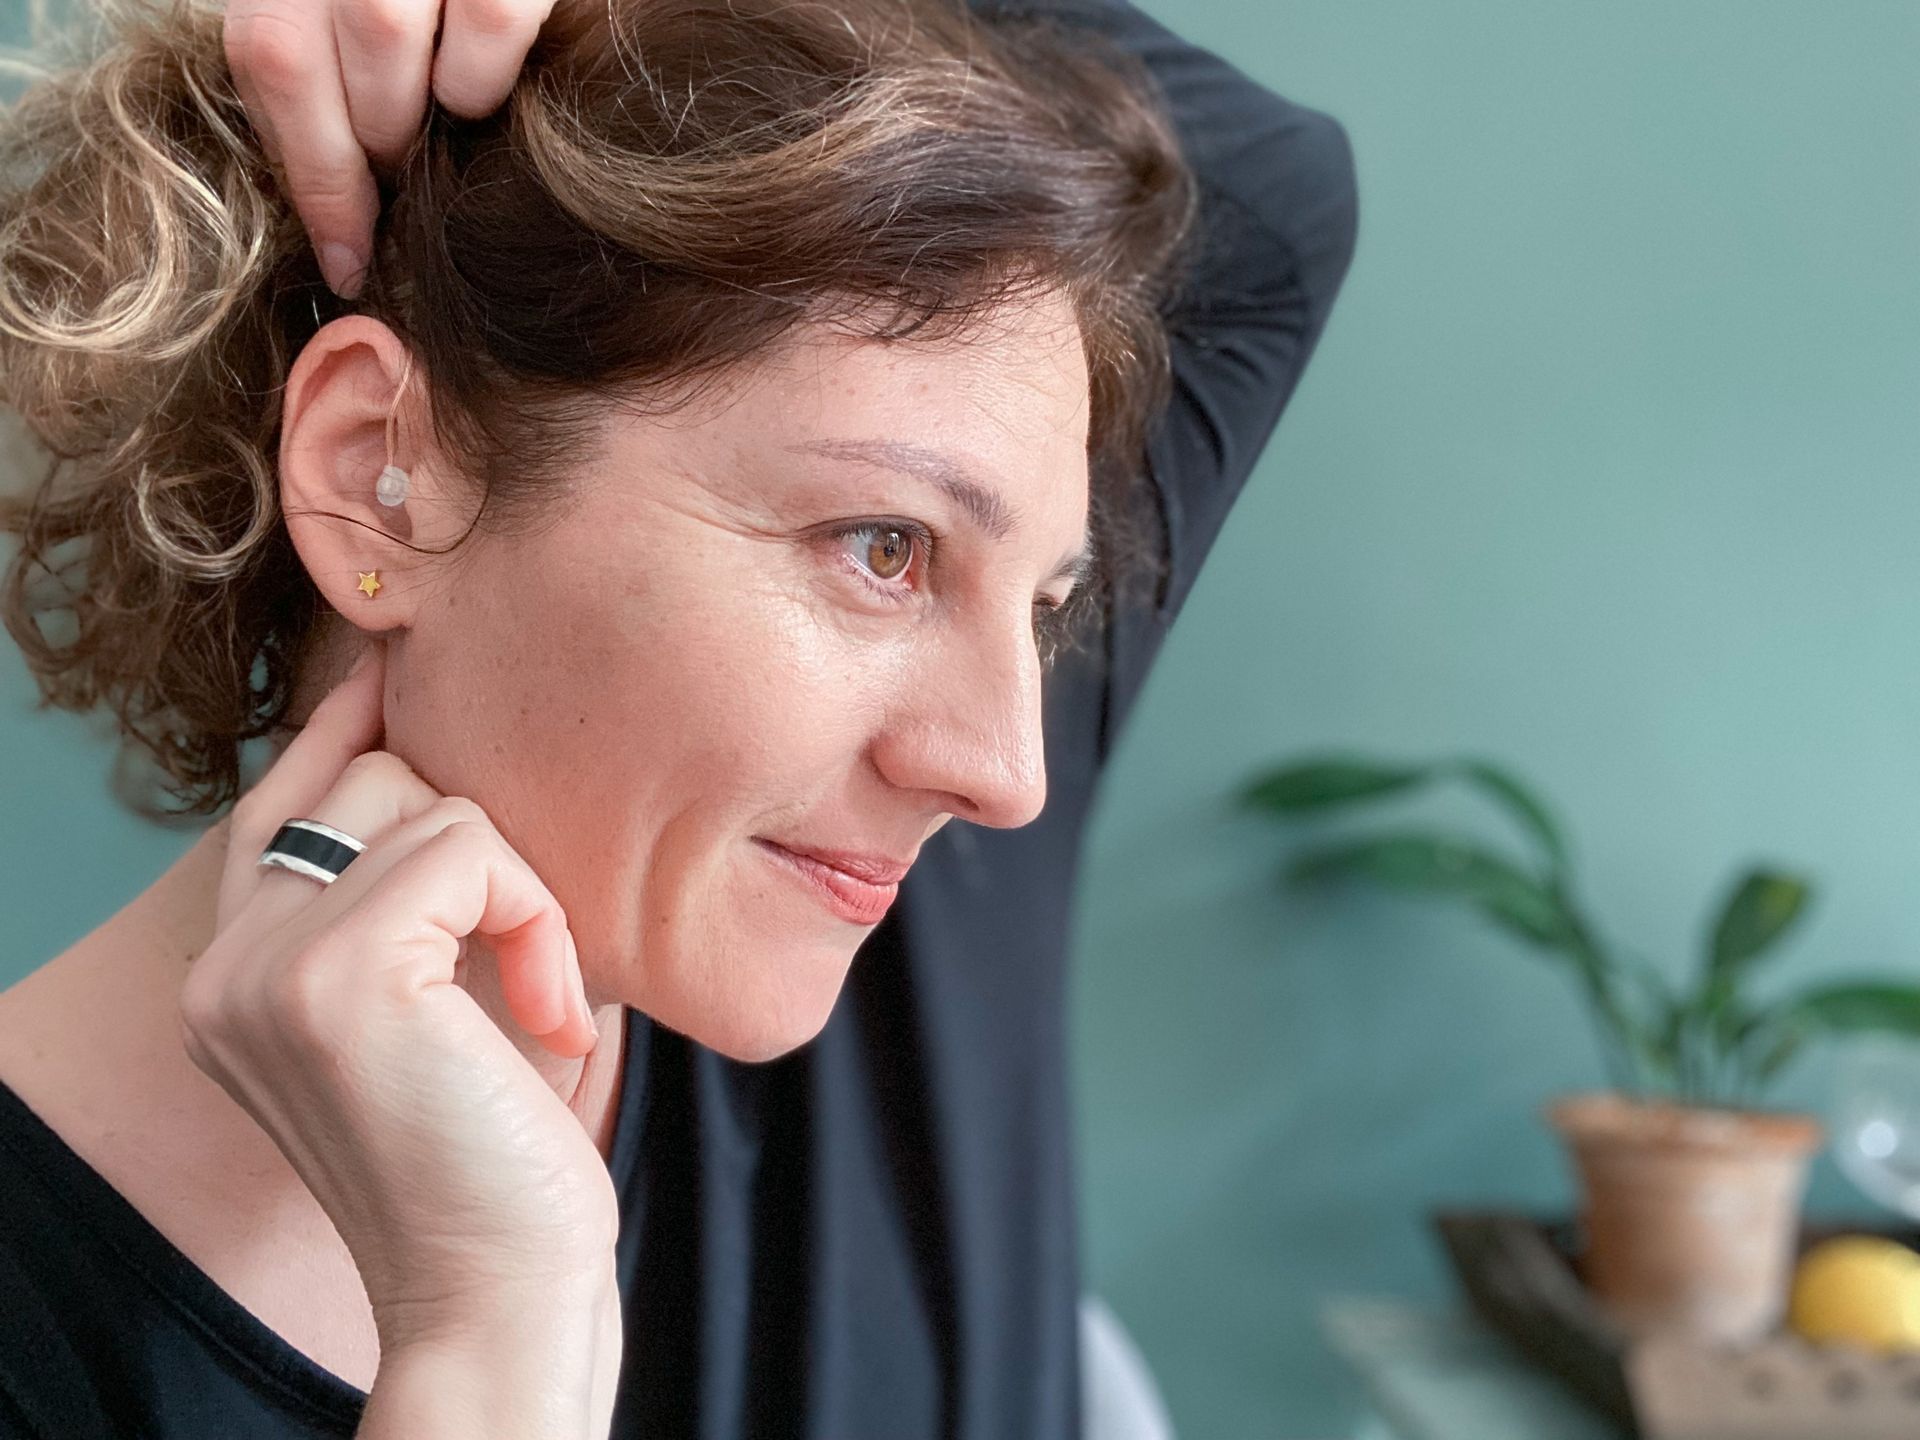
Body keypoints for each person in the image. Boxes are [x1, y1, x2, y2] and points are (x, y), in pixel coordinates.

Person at [0, 0, 1357, 1435]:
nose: (1003, 775)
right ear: (377, 469)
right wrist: (490, 1338)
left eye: (1044, 609)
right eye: (885, 548)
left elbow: (1258, 208)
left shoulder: (855, 905)